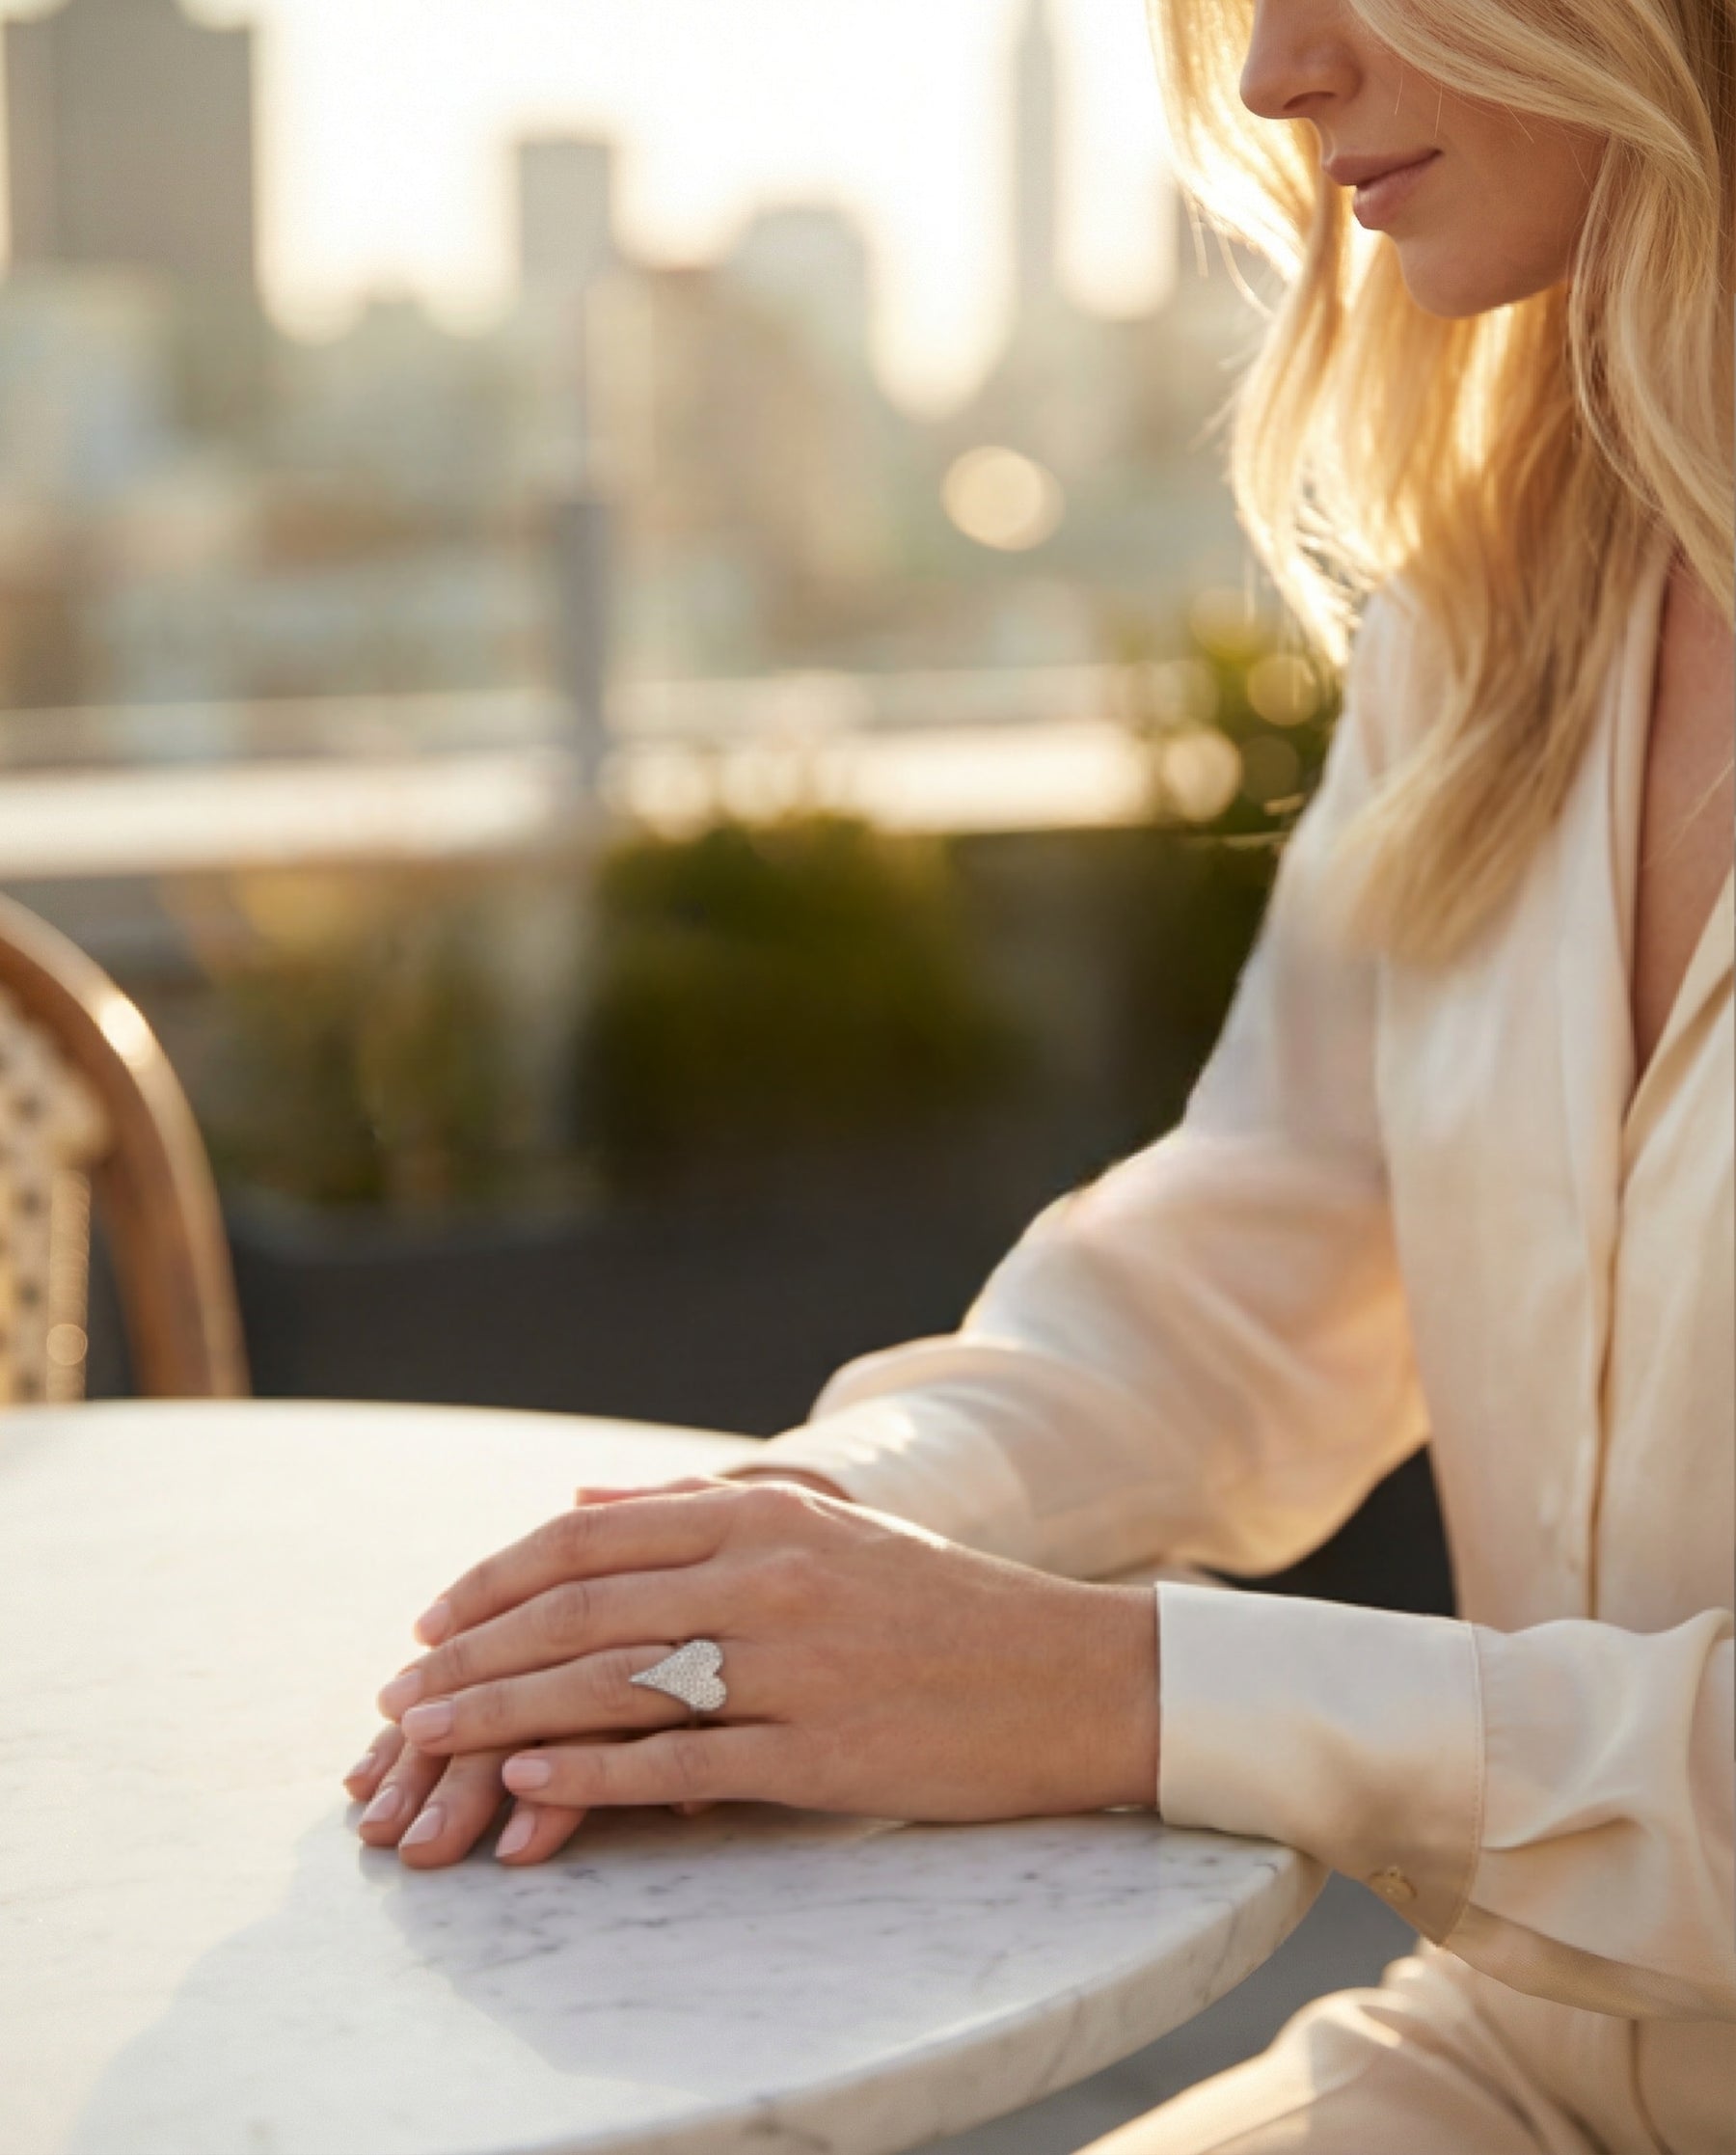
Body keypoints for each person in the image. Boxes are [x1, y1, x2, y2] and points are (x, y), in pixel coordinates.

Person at [343, 1, 1734, 2146]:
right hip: (1528, 2064)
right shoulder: (1509, 593)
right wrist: (825, 1533)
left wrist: (1118, 1691)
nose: (1273, 77)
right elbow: (1256, 1256)